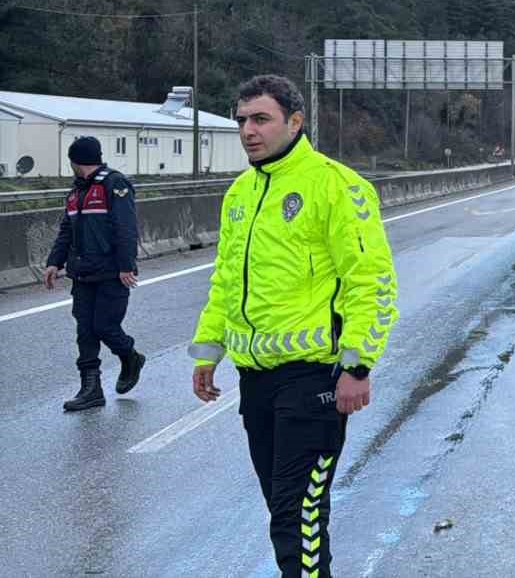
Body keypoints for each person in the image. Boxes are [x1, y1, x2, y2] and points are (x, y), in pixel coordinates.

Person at [189, 75, 399, 578]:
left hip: (315, 379)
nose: (247, 131)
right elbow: (226, 280)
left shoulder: (337, 185)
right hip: (256, 380)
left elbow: (371, 283)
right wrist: (208, 351)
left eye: (261, 119)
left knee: (296, 515)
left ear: (295, 121)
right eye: (241, 120)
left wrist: (358, 364)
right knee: (281, 508)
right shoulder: (240, 193)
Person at [43, 136, 144, 412]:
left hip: (111, 272)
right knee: (85, 331)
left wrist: (126, 265)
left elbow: (125, 226)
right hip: (83, 274)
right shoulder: (76, 192)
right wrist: (54, 262)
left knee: (105, 327)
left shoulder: (115, 183)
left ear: (75, 161)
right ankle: (91, 389)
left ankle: (130, 356)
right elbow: (67, 230)